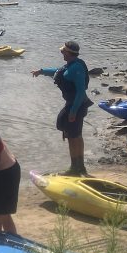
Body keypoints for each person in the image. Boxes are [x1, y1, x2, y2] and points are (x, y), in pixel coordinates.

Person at [32, 41, 91, 176]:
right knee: (74, 135)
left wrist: (73, 111)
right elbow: (59, 72)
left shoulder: (76, 68)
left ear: (69, 53)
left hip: (77, 105)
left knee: (73, 136)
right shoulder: (71, 65)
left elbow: (81, 91)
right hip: (73, 104)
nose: (61, 53)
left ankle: (76, 168)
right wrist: (41, 71)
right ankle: (79, 167)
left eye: (63, 51)